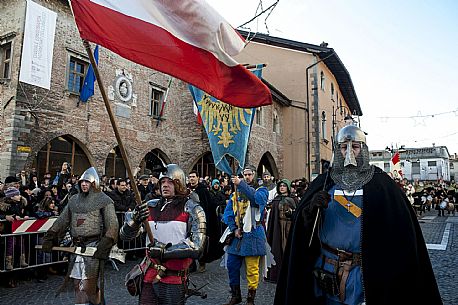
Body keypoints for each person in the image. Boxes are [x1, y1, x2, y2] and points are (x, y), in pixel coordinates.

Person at [274, 125, 442, 305]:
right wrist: (309, 210)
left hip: (365, 273)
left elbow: (402, 231)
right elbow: (302, 232)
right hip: (326, 271)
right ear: (337, 150)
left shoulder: (382, 184)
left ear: (364, 149)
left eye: (354, 146)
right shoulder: (324, 183)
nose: (349, 153)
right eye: (344, 147)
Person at [119, 164, 206, 305]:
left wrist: (163, 251)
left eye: (170, 182)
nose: (165, 185)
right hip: (149, 273)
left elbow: (196, 246)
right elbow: (125, 236)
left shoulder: (192, 208)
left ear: (180, 183)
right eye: (162, 182)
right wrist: (134, 221)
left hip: (174, 276)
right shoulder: (150, 206)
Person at [42, 167, 119, 305]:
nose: (84, 184)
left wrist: (106, 243)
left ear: (94, 183)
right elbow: (62, 220)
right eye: (82, 182)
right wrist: (50, 236)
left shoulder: (104, 200)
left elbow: (112, 224)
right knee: (77, 285)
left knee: (89, 287)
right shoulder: (73, 200)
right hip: (76, 247)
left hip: (93, 247)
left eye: (87, 182)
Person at [221, 165, 268, 305]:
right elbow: (228, 213)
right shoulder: (235, 193)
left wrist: (240, 184)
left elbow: (257, 200)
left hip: (254, 234)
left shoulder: (262, 190)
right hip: (238, 235)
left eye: (249, 174)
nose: (247, 177)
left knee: (252, 269)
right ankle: (236, 296)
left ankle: (250, 299)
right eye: (244, 175)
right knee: (231, 265)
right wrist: (234, 228)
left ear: (254, 175)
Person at [188, 170, 221, 273]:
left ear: (198, 178)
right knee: (189, 242)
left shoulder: (203, 190)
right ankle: (191, 264)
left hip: (201, 220)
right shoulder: (186, 189)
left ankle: (202, 262)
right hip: (189, 219)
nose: (191, 179)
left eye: (193, 176)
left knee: (201, 242)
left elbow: (208, 205)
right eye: (190, 177)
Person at [265, 179, 297, 283]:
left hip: (290, 226)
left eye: (284, 186)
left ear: (287, 187)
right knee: (278, 249)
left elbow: (298, 214)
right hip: (278, 227)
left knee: (289, 249)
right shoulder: (276, 200)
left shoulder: (294, 199)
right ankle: (277, 274)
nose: (282, 187)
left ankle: (290, 274)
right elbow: (273, 218)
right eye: (280, 186)